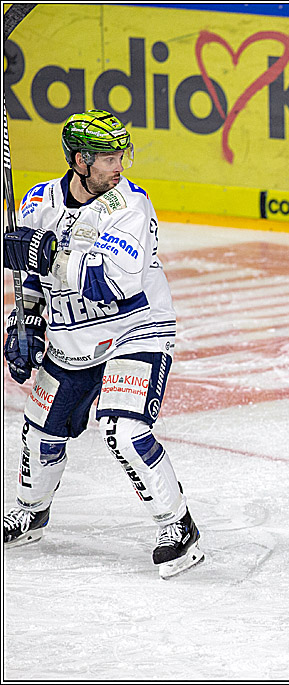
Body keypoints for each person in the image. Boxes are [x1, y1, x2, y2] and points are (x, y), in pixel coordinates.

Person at [2, 109, 204, 579]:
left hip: (135, 330)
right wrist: (27, 318)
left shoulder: (131, 206)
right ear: (79, 161)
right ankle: (31, 513)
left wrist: (49, 254)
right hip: (74, 338)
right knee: (40, 431)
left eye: (121, 154)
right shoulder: (37, 202)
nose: (119, 165)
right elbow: (29, 273)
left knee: (123, 428)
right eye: (108, 157)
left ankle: (179, 527)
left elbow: (115, 282)